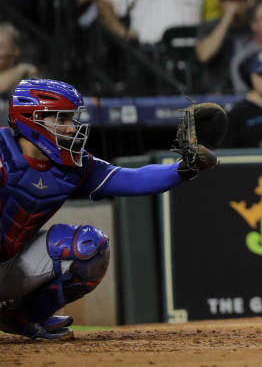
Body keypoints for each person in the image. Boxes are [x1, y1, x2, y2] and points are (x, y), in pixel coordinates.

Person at [0, 78, 218, 340]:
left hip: (10, 264)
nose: (71, 129)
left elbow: (134, 180)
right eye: (61, 119)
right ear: (30, 119)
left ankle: (25, 318)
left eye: (71, 119)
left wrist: (184, 167)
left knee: (90, 246)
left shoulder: (74, 165)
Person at [196, 0, 253, 92]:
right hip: (217, 91)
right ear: (220, 3)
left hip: (249, 90)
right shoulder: (209, 26)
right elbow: (204, 55)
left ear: (248, 2)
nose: (236, 3)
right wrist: (227, 18)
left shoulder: (255, 26)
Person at [0, 23, 37, 104]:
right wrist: (20, 70)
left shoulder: (27, 80)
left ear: (15, 51)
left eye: (1, 46)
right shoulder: (22, 71)